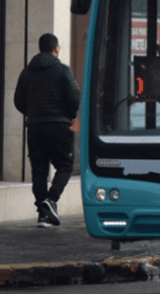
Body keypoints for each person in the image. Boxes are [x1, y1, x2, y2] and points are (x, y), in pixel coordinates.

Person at [14, 33, 81, 228]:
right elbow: (75, 96)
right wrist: (69, 115)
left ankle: (42, 215)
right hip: (59, 125)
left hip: (35, 126)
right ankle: (50, 201)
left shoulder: (26, 72)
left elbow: (18, 101)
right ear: (56, 49)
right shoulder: (62, 70)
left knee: (39, 170)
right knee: (65, 166)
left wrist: (33, 113)